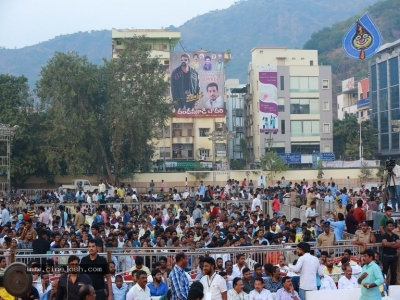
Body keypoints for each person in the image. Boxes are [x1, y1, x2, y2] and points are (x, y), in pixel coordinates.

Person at [381, 219, 400, 285]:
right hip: (386, 257)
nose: (391, 227)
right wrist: (393, 243)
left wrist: (389, 244)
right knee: (385, 272)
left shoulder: (395, 236)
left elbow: (398, 244)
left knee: (393, 273)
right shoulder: (384, 235)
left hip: (394, 257)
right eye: (389, 226)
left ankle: (392, 286)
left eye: (392, 226)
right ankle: (384, 286)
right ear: (386, 227)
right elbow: (385, 244)